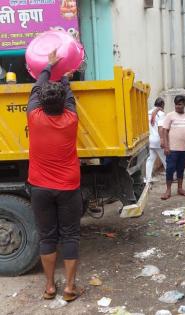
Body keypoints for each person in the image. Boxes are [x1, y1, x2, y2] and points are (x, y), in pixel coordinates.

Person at [27, 50, 83, 301]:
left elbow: (37, 88)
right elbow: (68, 95)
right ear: (63, 104)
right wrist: (64, 76)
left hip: (39, 187)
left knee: (47, 236)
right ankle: (70, 288)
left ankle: (50, 287)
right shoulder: (71, 119)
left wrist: (49, 67)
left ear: (41, 104)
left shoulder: (34, 117)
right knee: (70, 235)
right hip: (69, 186)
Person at [161, 95, 185, 200]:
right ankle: (168, 190)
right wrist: (166, 147)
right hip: (172, 149)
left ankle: (180, 189)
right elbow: (165, 131)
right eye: (176, 104)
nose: (178, 106)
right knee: (170, 169)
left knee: (181, 170)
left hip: (184, 149)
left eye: (180, 104)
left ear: (184, 104)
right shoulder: (170, 116)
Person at [145, 97, 166, 183]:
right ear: (162, 105)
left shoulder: (148, 113)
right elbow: (161, 128)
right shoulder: (161, 114)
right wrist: (163, 139)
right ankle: (170, 177)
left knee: (150, 159)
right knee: (165, 159)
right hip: (158, 140)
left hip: (150, 139)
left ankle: (148, 179)